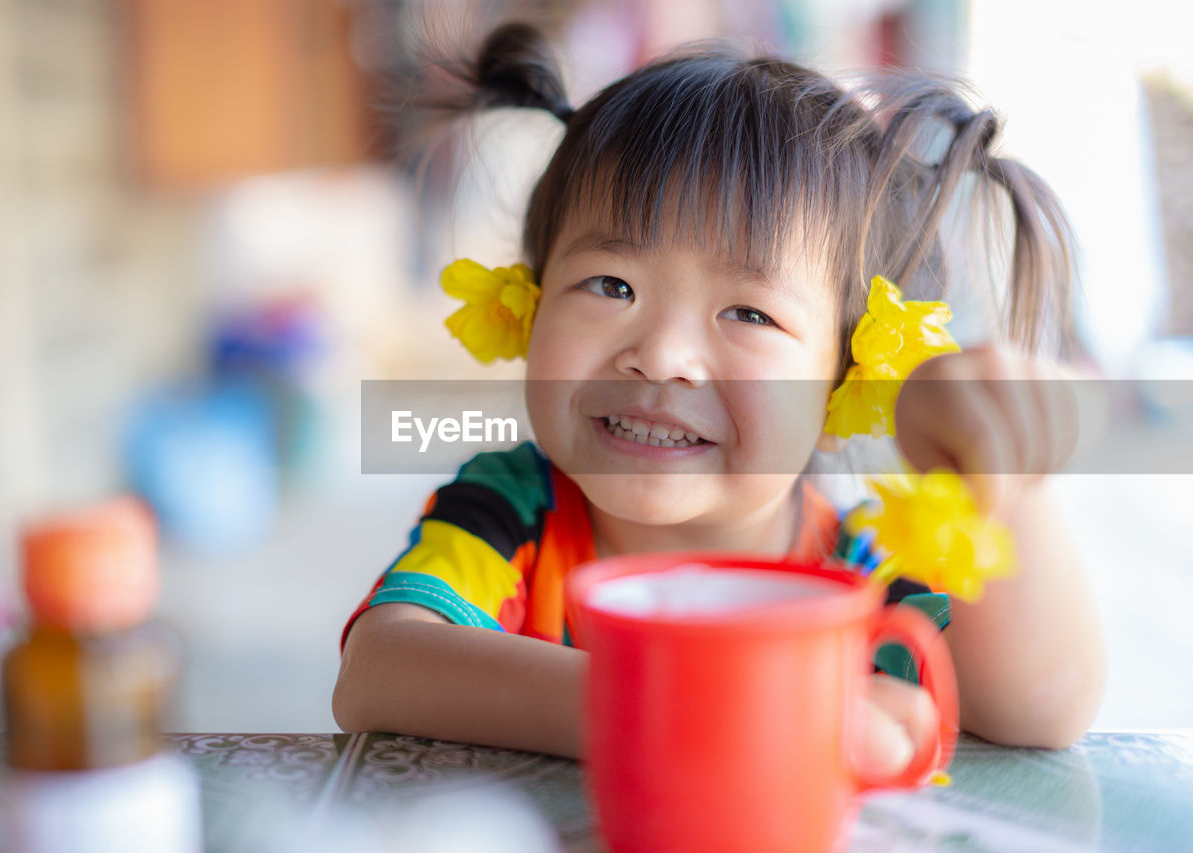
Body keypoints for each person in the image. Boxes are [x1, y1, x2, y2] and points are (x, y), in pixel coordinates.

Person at [333, 23, 1105, 771]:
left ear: (846, 383)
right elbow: (381, 667)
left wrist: (1005, 486)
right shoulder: (511, 509)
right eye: (612, 284)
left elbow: (1039, 708)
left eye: (749, 313)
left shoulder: (860, 569)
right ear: (531, 306)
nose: (662, 356)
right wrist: (698, 707)